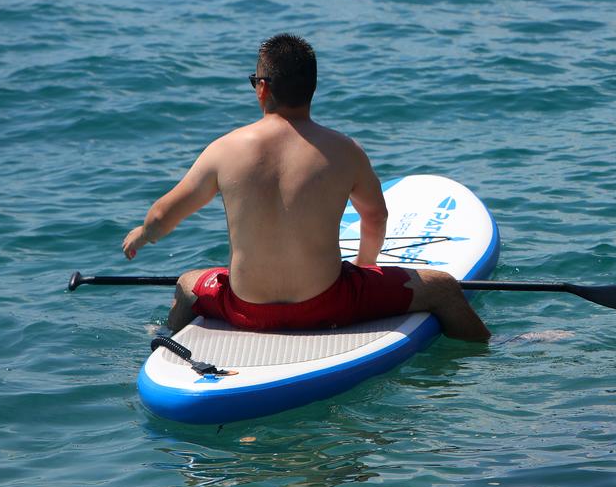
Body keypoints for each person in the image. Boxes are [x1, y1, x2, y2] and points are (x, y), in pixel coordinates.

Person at [122, 34, 489, 341]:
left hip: (245, 309)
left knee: (188, 282)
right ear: (312, 88)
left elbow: (162, 216)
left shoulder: (225, 149)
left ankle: (168, 344)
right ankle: (492, 349)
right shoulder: (344, 151)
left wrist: (142, 235)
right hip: (329, 304)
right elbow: (375, 216)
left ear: (262, 88)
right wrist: (365, 270)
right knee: (443, 287)